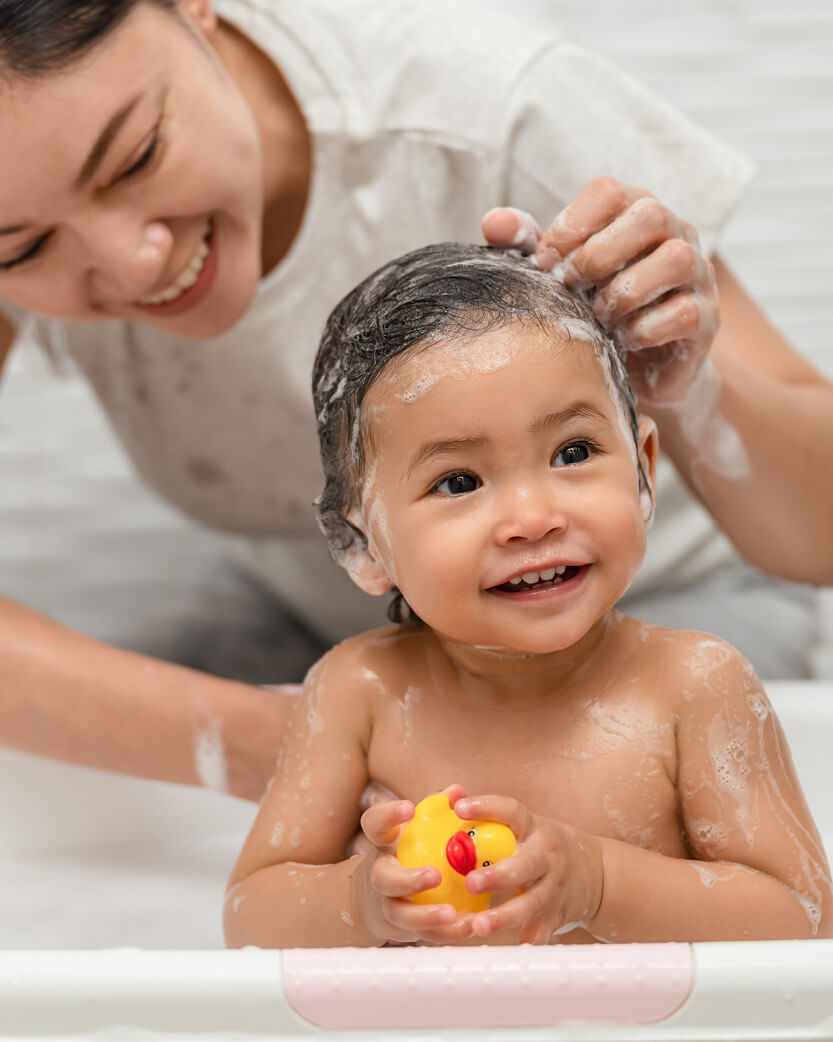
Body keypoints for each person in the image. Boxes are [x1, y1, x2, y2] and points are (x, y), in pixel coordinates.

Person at [2, 0, 833, 801]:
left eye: (138, 156)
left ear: (194, 6)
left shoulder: (490, 108)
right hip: (329, 624)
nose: (134, 261)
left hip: (675, 595)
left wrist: (696, 395)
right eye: (25, 247)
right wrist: (271, 741)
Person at [224, 243, 832, 948]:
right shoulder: (358, 693)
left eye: (572, 453)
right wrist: (359, 900)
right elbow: (249, 916)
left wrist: (597, 884)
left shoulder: (693, 686)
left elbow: (804, 922)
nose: (533, 517)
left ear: (642, 472)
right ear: (365, 546)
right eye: (458, 481)